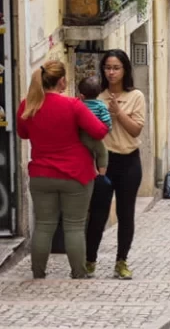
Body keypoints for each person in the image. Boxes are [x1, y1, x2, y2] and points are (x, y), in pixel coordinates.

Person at [16, 61, 109, 279]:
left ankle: (38, 272)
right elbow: (99, 131)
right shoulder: (73, 105)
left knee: (44, 225)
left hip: (41, 174)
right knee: (74, 226)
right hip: (76, 175)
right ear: (62, 81)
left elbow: (23, 134)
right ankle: (78, 272)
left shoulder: (27, 105)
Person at [85, 49, 146, 280]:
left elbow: (135, 130)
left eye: (116, 68)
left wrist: (118, 112)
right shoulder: (96, 97)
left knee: (125, 213)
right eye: (107, 68)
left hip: (129, 160)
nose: (111, 72)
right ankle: (90, 260)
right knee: (98, 213)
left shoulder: (136, 96)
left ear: (125, 70)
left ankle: (121, 261)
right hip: (103, 162)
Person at [77, 76, 112, 176]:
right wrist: (108, 129)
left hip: (82, 136)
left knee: (89, 154)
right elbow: (106, 121)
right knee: (102, 153)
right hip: (95, 137)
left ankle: (93, 171)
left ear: (82, 95)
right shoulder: (101, 106)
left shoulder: (79, 104)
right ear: (98, 93)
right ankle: (101, 175)